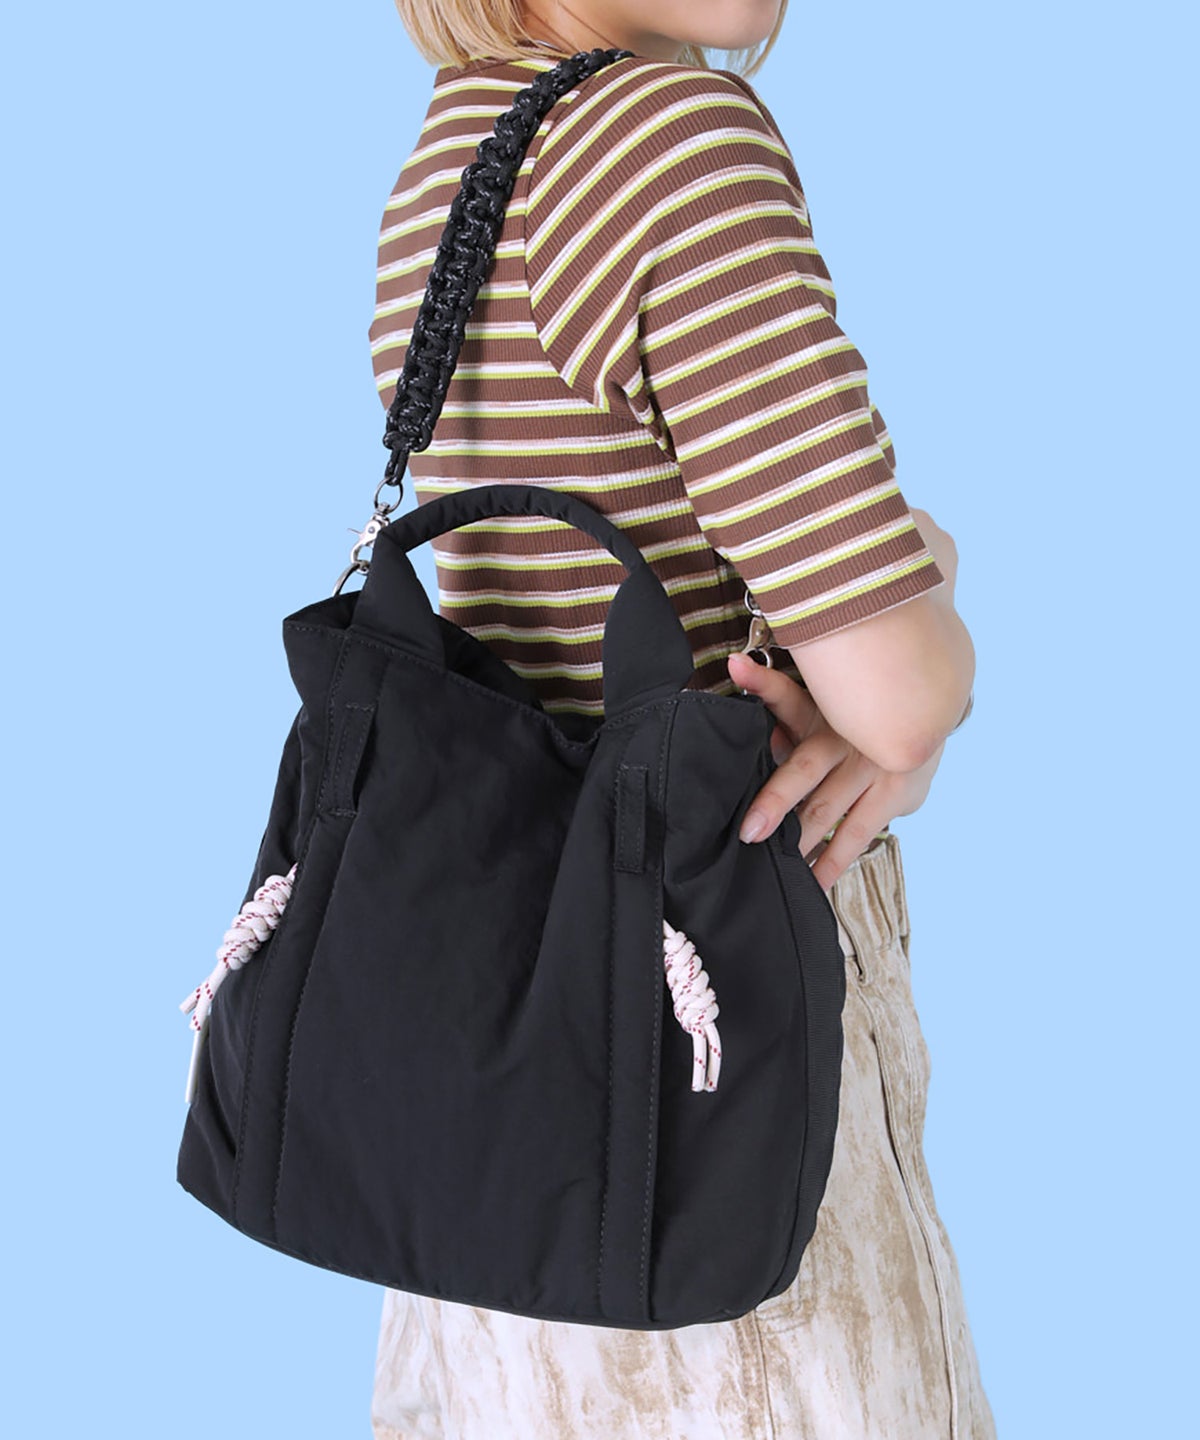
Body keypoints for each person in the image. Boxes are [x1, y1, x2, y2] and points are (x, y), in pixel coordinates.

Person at [369, 2, 995, 1436]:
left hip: (484, 1094)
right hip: (708, 1060)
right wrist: (930, 594)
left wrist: (865, 664)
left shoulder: (456, 152)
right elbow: (899, 693)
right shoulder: (670, 145)